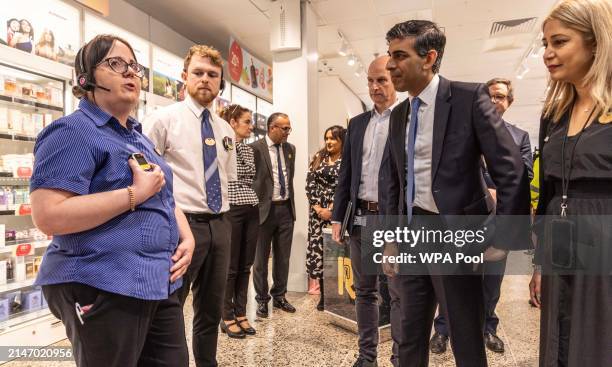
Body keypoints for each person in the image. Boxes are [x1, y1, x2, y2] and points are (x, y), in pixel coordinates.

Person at [29, 34, 193, 367]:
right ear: (86, 78)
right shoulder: (72, 132)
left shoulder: (138, 137)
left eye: (134, 66)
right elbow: (49, 215)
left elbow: (162, 195)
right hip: (102, 281)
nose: (130, 72)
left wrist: (186, 236)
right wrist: (134, 194)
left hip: (157, 282)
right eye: (115, 64)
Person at [379, 20, 530, 367]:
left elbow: (511, 169)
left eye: (399, 55)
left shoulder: (468, 97)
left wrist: (504, 237)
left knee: (465, 336)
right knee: (409, 335)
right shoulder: (399, 113)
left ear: (429, 57)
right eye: (390, 55)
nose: (390, 65)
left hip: (456, 236)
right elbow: (393, 181)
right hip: (411, 235)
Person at [529, 0, 612, 365]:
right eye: (545, 44)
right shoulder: (554, 114)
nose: (548, 53)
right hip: (559, 244)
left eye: (559, 42)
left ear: (595, 42)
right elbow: (548, 192)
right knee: (558, 341)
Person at [144, 44, 237, 367]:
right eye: (198, 73)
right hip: (181, 227)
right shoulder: (162, 120)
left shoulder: (226, 130)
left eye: (213, 75)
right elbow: (144, 175)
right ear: (184, 77)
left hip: (220, 226)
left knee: (211, 310)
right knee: (169, 307)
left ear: (220, 82)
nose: (205, 80)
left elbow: (227, 177)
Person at [430, 77, 533, 354]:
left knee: (492, 280)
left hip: (498, 222)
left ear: (509, 103)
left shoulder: (520, 136)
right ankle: (443, 330)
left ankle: (488, 327)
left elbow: (522, 175)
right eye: (491, 95)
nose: (495, 100)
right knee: (454, 277)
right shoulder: (464, 130)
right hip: (467, 218)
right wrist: (490, 187)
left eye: (501, 96)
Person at [331, 55, 401, 367]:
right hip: (359, 220)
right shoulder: (357, 124)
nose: (375, 87)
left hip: (392, 221)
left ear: (395, 80)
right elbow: (346, 173)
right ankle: (367, 356)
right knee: (365, 292)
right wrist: (337, 215)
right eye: (371, 81)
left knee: (399, 294)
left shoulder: (408, 119)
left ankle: (401, 356)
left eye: (382, 80)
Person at [218, 104, 259, 339]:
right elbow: (229, 173)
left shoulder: (248, 149)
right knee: (231, 266)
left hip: (251, 205)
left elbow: (248, 173)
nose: (251, 126)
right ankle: (227, 315)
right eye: (246, 121)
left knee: (246, 265)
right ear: (233, 122)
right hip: (231, 207)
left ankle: (241, 312)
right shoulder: (224, 145)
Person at [250, 112, 297, 317]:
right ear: (272, 128)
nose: (288, 132)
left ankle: (279, 296)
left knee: (283, 257)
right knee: (260, 259)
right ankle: (261, 299)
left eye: (289, 128)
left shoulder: (290, 149)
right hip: (262, 211)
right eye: (284, 128)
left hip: (286, 209)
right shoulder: (254, 148)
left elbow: (290, 176)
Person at [306, 125, 345, 311]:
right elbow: (309, 183)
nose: (329, 142)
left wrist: (332, 209)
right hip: (316, 215)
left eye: (333, 139)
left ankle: (340, 294)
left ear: (342, 140)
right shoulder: (318, 157)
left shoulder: (347, 159)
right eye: (327, 138)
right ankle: (323, 296)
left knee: (336, 254)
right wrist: (318, 208)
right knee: (319, 254)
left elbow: (344, 186)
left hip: (337, 213)